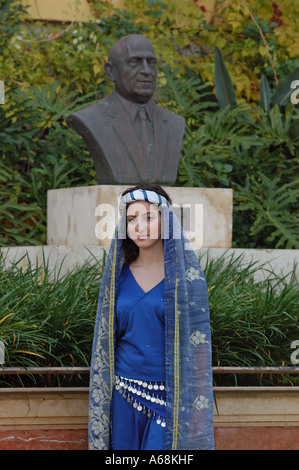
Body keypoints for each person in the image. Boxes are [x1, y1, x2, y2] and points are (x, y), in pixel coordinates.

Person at [88, 183, 214, 450]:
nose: (139, 226)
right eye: (131, 218)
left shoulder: (186, 280)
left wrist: (195, 407)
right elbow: (106, 338)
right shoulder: (116, 278)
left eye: (148, 217)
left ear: (166, 220)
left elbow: (198, 346)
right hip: (123, 394)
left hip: (170, 399)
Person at [66, 35, 185, 185]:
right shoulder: (92, 119)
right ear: (111, 72)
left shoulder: (174, 123)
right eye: (135, 62)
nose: (147, 71)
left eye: (151, 63)